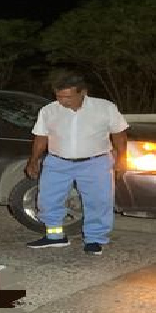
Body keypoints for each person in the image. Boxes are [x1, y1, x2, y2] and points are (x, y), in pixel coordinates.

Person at [24, 72, 128, 256]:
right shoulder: (49, 110)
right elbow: (41, 137)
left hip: (95, 163)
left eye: (68, 97)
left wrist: (122, 158)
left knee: (98, 202)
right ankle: (55, 236)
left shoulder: (105, 107)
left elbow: (119, 134)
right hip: (57, 162)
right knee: (47, 200)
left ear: (83, 93)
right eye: (59, 96)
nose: (62, 101)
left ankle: (94, 239)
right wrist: (33, 160)